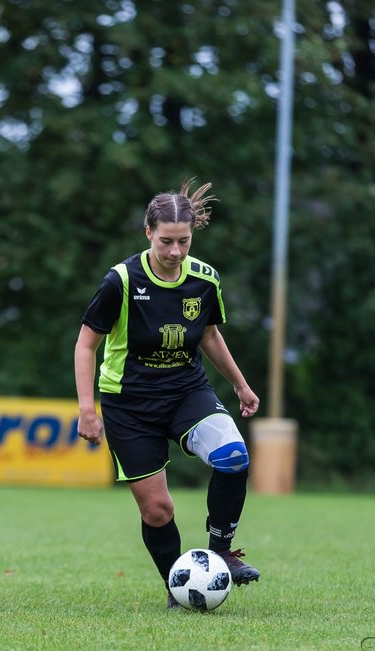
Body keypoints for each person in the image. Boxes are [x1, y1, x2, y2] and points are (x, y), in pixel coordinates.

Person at [74, 178, 260, 609]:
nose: (176, 252)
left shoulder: (204, 279)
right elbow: (86, 344)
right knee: (157, 510)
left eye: (184, 241)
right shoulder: (121, 280)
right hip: (129, 404)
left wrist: (240, 383)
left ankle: (221, 552)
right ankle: (178, 587)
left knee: (233, 456)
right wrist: (87, 409)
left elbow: (210, 336)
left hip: (186, 391)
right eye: (166, 242)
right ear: (148, 234)